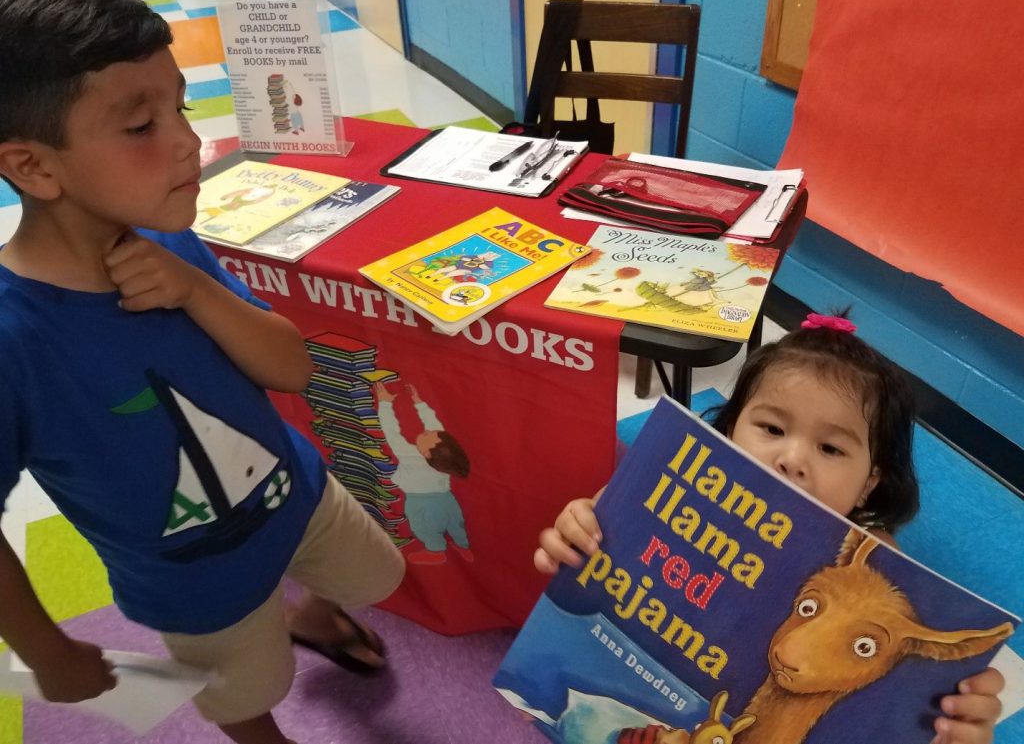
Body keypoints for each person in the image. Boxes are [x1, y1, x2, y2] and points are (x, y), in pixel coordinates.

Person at [0, 0, 404, 744]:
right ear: (35, 166)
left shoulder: (165, 235)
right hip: (194, 586)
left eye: (181, 105)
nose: (188, 140)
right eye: (143, 124)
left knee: (380, 574)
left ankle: (307, 612)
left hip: (298, 495)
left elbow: (292, 367)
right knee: (244, 691)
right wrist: (45, 648)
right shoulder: (14, 341)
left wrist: (193, 290)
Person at [535, 313, 1005, 744]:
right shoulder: (666, 501)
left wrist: (947, 722)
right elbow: (579, 565)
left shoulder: (873, 569)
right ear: (730, 430)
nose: (792, 460)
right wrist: (575, 535)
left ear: (869, 483)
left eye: (831, 449)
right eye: (773, 430)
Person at [374, 381, 472, 565]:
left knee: (423, 527)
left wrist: (386, 404)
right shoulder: (444, 459)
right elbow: (435, 426)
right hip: (446, 498)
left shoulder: (409, 454)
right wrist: (418, 401)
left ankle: (436, 551)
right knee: (455, 522)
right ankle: (463, 544)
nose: (425, 431)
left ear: (427, 453)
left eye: (427, 435)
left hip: (419, 501)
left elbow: (391, 432)